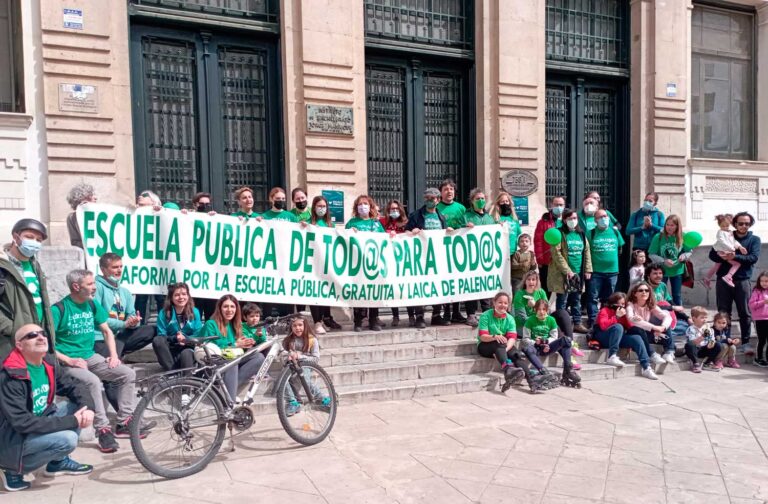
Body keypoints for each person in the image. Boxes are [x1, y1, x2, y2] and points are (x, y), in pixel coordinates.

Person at [52, 270, 150, 454]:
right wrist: (69, 360)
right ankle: (103, 430)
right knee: (93, 381)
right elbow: (47, 344)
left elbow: (106, 331)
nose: (94, 287)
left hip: (90, 356)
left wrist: (113, 355)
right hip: (67, 362)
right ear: (76, 286)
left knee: (127, 373)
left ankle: (124, 422)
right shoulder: (58, 310)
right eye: (90, 284)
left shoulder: (92, 304)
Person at [0, 324, 95, 492]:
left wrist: (88, 410)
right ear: (19, 345)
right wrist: (72, 421)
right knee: (68, 439)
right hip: (10, 437)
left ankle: (57, 462)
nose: (40, 337)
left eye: (43, 333)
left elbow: (75, 386)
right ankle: (12, 470)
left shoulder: (47, 363)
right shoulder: (10, 375)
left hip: (36, 421)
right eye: (32, 335)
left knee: (77, 406)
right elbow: (21, 422)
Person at [0, 219, 56, 361]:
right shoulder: (3, 267)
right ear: (16, 237)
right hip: (13, 342)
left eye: (39, 240)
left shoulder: (35, 265)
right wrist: (13, 329)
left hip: (39, 336)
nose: (34, 242)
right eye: (29, 237)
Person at [475, 292, 549, 394]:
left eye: (505, 303)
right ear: (494, 302)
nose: (503, 305)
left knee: (516, 354)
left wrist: (503, 351)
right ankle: (508, 369)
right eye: (500, 302)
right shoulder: (485, 315)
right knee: (499, 341)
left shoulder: (510, 318)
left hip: (501, 346)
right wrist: (495, 337)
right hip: (485, 345)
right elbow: (483, 337)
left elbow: (512, 338)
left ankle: (531, 381)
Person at [709, 212, 761, 354]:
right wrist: (724, 256)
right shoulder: (726, 234)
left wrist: (735, 256)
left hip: (742, 280)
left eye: (747, 223)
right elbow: (712, 254)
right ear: (735, 224)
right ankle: (724, 340)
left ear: (750, 225)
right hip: (723, 280)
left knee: (745, 312)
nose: (744, 226)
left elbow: (753, 258)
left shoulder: (754, 239)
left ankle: (745, 342)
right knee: (723, 312)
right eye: (740, 223)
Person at [199, 294, 265, 401]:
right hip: (215, 362)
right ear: (220, 308)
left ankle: (227, 389)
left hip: (231, 359)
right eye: (226, 306)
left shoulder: (235, 324)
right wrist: (235, 344)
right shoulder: (211, 323)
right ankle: (230, 401)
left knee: (259, 357)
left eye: (232, 306)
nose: (229, 310)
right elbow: (211, 345)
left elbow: (238, 346)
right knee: (232, 363)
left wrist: (246, 343)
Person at [94, 253, 156, 356]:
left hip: (120, 335)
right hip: (101, 337)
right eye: (115, 267)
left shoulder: (125, 292)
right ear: (103, 269)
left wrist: (133, 322)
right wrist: (123, 324)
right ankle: (113, 355)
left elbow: (131, 314)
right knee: (116, 347)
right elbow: (98, 318)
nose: (119, 270)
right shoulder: (96, 287)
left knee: (153, 330)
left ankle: (117, 353)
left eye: (121, 266)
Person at [406, 188, 449, 329]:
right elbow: (406, 232)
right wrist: (412, 231)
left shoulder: (441, 217)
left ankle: (436, 315)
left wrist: (449, 231)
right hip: (421, 258)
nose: (429, 201)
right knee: (420, 286)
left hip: (437, 258)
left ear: (438, 200)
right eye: (427, 198)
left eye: (432, 198)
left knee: (437, 285)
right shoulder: (416, 215)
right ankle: (419, 316)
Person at [593, 292, 657, 379]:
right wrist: (616, 317)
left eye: (624, 304)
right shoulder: (604, 310)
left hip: (617, 339)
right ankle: (612, 356)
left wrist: (634, 319)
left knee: (637, 338)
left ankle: (646, 367)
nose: (622, 306)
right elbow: (603, 326)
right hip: (604, 337)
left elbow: (630, 327)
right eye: (620, 304)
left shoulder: (624, 313)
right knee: (618, 327)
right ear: (613, 303)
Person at [548, 209, 592, 333]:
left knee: (576, 299)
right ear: (564, 220)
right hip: (563, 274)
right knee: (562, 300)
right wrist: (567, 270)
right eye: (570, 218)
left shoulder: (581, 234)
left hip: (578, 273)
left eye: (575, 218)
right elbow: (556, 254)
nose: (573, 221)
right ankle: (560, 325)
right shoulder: (559, 234)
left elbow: (586, 252)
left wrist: (588, 269)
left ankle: (577, 323)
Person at [520, 300, 581, 387]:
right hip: (535, 347)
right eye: (539, 309)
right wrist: (536, 343)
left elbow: (554, 337)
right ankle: (543, 371)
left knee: (566, 340)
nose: (541, 312)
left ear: (547, 310)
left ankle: (568, 370)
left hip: (548, 346)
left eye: (544, 309)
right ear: (535, 310)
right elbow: (525, 339)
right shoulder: (530, 321)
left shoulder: (551, 320)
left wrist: (546, 342)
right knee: (526, 349)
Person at [346, 195, 385, 332]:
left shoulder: (376, 223)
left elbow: (384, 240)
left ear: (370, 206)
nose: (362, 206)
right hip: (357, 264)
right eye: (360, 204)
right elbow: (344, 239)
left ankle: (373, 320)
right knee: (359, 292)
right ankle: (358, 321)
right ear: (356, 207)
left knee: (374, 291)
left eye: (365, 204)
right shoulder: (352, 223)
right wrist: (349, 233)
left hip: (374, 264)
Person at [307, 196, 343, 333]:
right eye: (319, 206)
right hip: (312, 263)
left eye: (324, 206)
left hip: (326, 263)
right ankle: (317, 322)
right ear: (314, 207)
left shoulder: (329, 224)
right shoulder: (308, 222)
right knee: (314, 292)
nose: (321, 209)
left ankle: (326, 318)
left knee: (326, 291)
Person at [434, 179, 467, 325]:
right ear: (441, 193)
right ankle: (445, 312)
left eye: (451, 189)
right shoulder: (436, 208)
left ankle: (456, 312)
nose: (449, 192)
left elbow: (465, 225)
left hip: (458, 250)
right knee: (445, 281)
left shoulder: (461, 208)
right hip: (442, 250)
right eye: (446, 189)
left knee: (457, 281)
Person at [462, 188, 497, 327]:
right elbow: (458, 230)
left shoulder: (489, 218)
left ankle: (487, 313)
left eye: (483, 198)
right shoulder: (466, 216)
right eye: (477, 199)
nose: (481, 201)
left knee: (485, 286)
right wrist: (464, 226)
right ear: (472, 201)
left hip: (486, 259)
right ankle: (471, 314)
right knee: (471, 286)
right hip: (470, 258)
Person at [586, 208, 625, 327]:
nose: (604, 219)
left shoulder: (615, 232)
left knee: (610, 299)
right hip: (596, 272)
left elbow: (620, 248)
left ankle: (606, 319)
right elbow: (586, 252)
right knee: (593, 297)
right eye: (600, 217)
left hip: (612, 271)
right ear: (595, 220)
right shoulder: (590, 233)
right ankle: (593, 321)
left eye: (605, 216)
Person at [281, 315, 325, 416]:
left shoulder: (312, 339)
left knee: (304, 379)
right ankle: (293, 402)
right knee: (283, 379)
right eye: (294, 326)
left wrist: (299, 356)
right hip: (291, 365)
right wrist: (287, 357)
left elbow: (315, 358)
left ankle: (321, 397)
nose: (297, 328)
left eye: (300, 325)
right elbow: (283, 355)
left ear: (305, 325)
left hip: (306, 365)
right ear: (291, 327)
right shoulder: (288, 340)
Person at [152, 282, 201, 371]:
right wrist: (175, 338)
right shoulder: (163, 313)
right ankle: (172, 372)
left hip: (188, 349)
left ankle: (187, 378)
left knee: (186, 354)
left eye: (184, 294)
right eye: (177, 295)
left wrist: (185, 339)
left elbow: (198, 334)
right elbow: (161, 335)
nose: (181, 297)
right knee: (157, 340)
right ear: (171, 297)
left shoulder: (195, 312)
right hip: (170, 352)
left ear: (188, 296)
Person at [626, 281, 675, 365]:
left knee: (664, 322)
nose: (644, 292)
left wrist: (663, 327)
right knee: (638, 328)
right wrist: (654, 327)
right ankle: (652, 354)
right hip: (633, 333)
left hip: (647, 333)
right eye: (641, 290)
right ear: (635, 293)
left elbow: (667, 316)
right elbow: (631, 319)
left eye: (646, 290)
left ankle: (669, 352)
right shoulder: (630, 305)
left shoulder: (650, 305)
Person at [648, 215, 691, 307]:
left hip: (677, 270)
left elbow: (689, 251)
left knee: (677, 295)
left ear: (677, 226)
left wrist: (683, 256)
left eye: (672, 225)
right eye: (667, 224)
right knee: (660, 294)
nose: (669, 227)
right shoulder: (658, 236)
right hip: (661, 271)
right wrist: (664, 261)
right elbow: (651, 254)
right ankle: (661, 311)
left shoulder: (683, 236)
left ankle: (678, 314)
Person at [380, 199, 410, 326]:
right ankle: (395, 316)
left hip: (404, 260)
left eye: (397, 209)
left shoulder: (406, 222)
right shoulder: (382, 222)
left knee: (406, 289)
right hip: (389, 260)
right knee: (393, 288)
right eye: (392, 209)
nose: (395, 211)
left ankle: (411, 316)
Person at [703, 214, 747, 289]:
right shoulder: (720, 232)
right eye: (723, 226)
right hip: (722, 251)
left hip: (725, 251)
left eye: (727, 226)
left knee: (717, 265)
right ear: (719, 225)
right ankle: (728, 276)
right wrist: (732, 248)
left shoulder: (729, 232)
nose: (725, 227)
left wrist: (740, 247)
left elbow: (733, 241)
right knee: (736, 264)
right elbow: (722, 241)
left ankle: (707, 278)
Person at [685, 306, 721, 373]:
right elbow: (693, 342)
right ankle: (695, 363)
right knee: (689, 345)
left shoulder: (708, 328)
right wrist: (703, 336)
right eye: (702, 318)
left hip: (704, 349)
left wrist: (711, 343)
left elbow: (712, 339)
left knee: (718, 345)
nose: (704, 320)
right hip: (695, 350)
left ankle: (707, 363)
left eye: (705, 317)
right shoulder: (691, 329)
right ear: (694, 318)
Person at [490, 191, 521, 260]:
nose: (505, 203)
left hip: (513, 252)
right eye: (502, 201)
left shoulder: (514, 218)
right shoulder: (494, 218)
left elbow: (519, 234)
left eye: (507, 201)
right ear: (498, 203)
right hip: (500, 253)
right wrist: (497, 226)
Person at [65, 183, 97, 249]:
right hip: (88, 253)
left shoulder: (101, 214)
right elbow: (75, 242)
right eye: (90, 196)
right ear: (80, 200)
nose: (95, 198)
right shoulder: (72, 218)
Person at [748, 271, 768, 367]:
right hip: (760, 319)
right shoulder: (756, 291)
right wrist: (763, 302)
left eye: (766, 281)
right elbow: (751, 305)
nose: (764, 283)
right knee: (762, 340)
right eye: (762, 281)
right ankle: (758, 358)